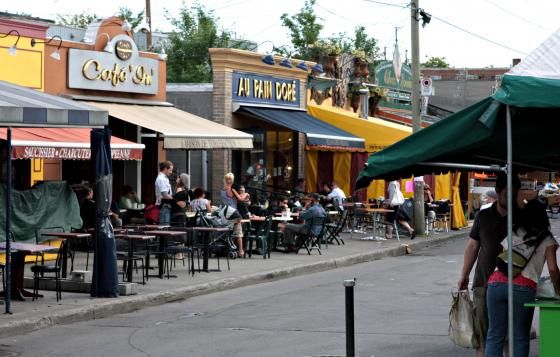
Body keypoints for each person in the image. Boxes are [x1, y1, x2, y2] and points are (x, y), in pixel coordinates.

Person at [485, 199, 560, 357]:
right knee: (519, 337)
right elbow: (553, 268)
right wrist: (558, 289)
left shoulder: (514, 232)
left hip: (496, 283)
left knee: (494, 336)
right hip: (523, 287)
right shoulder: (548, 240)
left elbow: (503, 256)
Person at [457, 172, 521, 357]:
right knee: (483, 335)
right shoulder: (483, 216)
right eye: (507, 194)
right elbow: (473, 245)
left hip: (513, 284)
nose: (511, 198)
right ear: (498, 191)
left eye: (515, 194)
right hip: (483, 283)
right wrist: (464, 275)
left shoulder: (521, 218)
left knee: (509, 337)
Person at [220, 173, 244, 257]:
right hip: (234, 213)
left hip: (225, 213)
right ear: (232, 180)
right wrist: (246, 194)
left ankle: (227, 248)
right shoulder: (232, 190)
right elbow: (240, 199)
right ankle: (241, 251)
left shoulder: (222, 190)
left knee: (227, 232)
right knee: (238, 233)